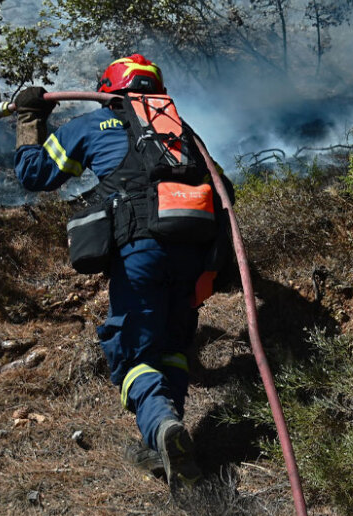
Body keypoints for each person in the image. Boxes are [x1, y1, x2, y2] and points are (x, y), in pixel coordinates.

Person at [14, 54, 222, 489]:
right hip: (194, 257)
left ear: (107, 90)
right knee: (171, 347)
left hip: (140, 251)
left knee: (132, 354)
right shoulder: (183, 132)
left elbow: (34, 173)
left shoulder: (95, 126)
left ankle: (162, 426)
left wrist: (31, 118)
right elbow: (225, 193)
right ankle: (164, 438)